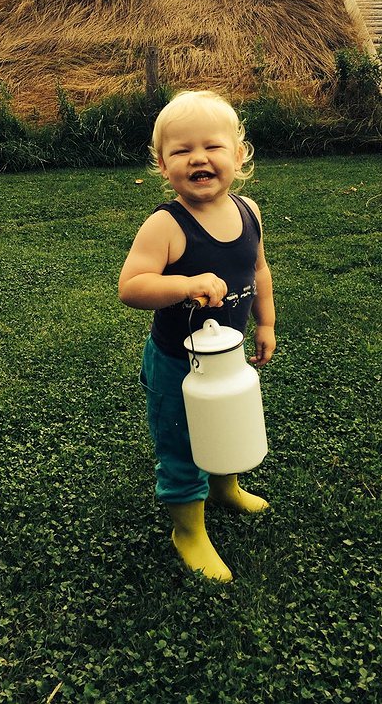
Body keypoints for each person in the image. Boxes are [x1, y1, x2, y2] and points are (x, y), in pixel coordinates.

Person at [118, 90, 276, 582]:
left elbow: (259, 270)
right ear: (163, 165)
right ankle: (187, 530)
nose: (199, 158)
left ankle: (225, 486)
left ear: (239, 155)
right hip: (176, 364)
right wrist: (185, 285)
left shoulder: (248, 211)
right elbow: (132, 287)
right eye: (182, 150)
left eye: (213, 146)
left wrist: (266, 322)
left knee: (227, 423)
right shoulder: (165, 225)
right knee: (183, 445)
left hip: (227, 358)